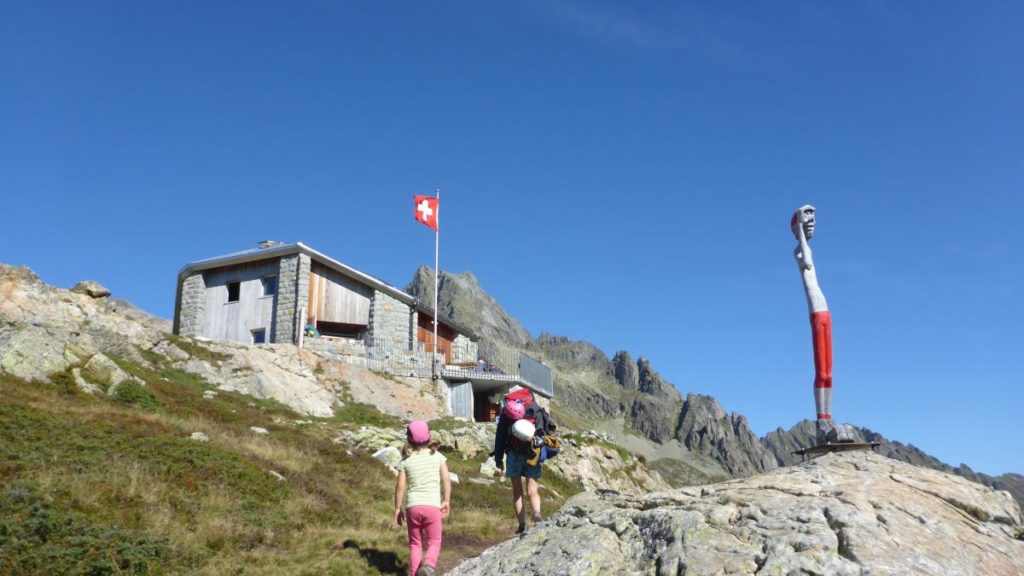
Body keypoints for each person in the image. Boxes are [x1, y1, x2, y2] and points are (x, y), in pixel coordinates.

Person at [791, 205, 853, 444]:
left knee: (829, 372)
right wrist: (801, 232)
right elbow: (806, 262)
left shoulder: (806, 249)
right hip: (816, 314)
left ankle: (828, 417)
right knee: (821, 370)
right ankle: (822, 422)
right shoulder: (799, 251)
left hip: (825, 313)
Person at [394, 421, 451, 576]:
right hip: (432, 506)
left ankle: (414, 573)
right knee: (434, 541)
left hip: (413, 507)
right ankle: (428, 566)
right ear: (429, 437)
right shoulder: (438, 456)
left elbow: (400, 487)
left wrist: (398, 508)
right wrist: (446, 500)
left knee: (415, 544)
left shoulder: (405, 461)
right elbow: (446, 479)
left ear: (409, 439)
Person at [493, 396, 542, 534]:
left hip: (513, 455)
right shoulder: (533, 410)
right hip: (532, 454)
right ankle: (537, 514)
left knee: (517, 491)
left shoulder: (505, 415)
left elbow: (500, 439)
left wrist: (498, 459)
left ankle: (522, 524)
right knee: (533, 489)